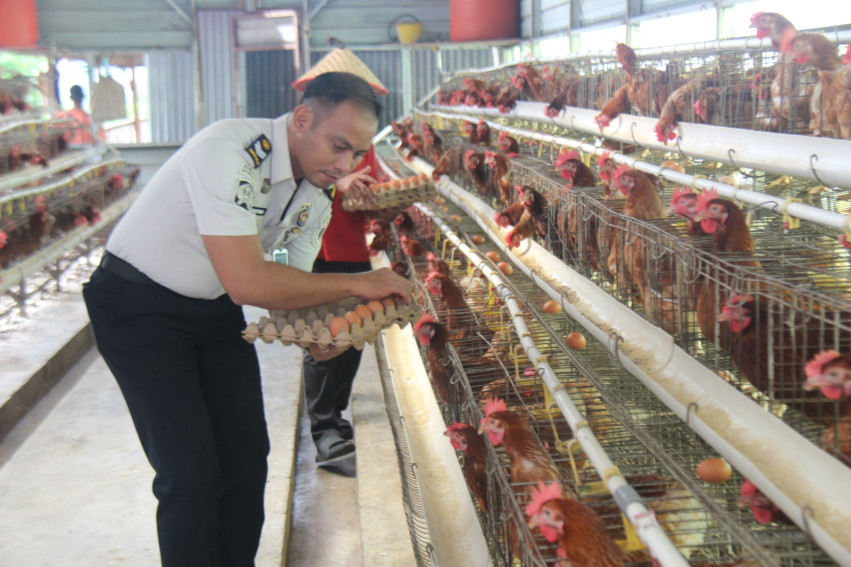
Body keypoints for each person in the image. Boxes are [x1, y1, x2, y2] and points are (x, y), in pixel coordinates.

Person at [82, 71, 411, 566]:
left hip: (212, 308)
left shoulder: (315, 187)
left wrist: (318, 333)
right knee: (188, 469)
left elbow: (289, 284)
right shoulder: (230, 151)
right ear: (301, 119)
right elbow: (249, 282)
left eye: (358, 154)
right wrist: (358, 282)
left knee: (246, 456)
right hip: (138, 307)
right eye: (339, 146)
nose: (346, 165)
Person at [293, 49, 393, 467]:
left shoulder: (362, 144)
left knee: (352, 338)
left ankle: (336, 414)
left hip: (352, 250)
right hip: (315, 253)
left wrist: (385, 203)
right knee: (321, 339)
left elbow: (376, 190)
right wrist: (340, 183)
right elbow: (295, 195)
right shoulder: (307, 143)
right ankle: (324, 430)